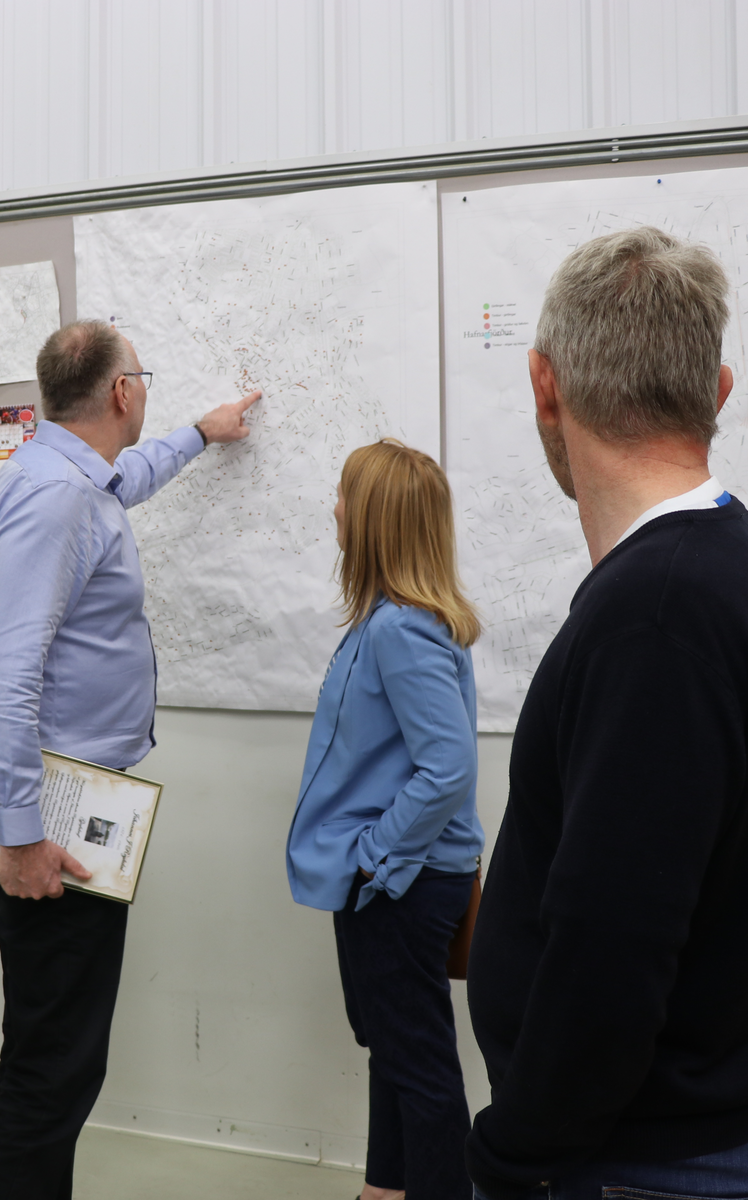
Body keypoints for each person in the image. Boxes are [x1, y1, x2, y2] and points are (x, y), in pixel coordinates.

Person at [465, 227, 748, 1200]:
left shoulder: (656, 616)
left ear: (544, 386)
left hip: (645, 1161)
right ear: (717, 392)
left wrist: (513, 1156)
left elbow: (612, 947)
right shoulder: (718, 570)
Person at [0, 319, 260, 1200]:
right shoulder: (58, 499)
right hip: (43, 802)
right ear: (123, 392)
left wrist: (200, 433)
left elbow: (127, 479)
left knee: (51, 1050)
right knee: (55, 1065)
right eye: (144, 378)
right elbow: (5, 678)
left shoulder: (69, 475)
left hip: (55, 789)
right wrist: (20, 835)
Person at [286, 438, 484, 1200]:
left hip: (401, 882)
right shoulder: (389, 620)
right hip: (397, 878)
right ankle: (385, 1188)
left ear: (371, 520)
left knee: (419, 1065)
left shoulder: (401, 629)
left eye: (344, 496)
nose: (333, 509)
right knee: (396, 1051)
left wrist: (376, 856)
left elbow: (449, 768)